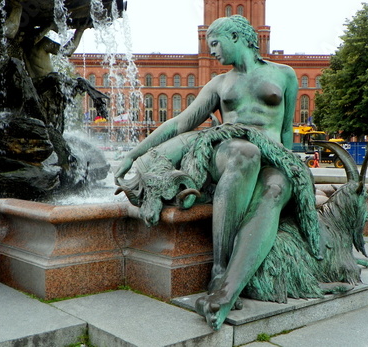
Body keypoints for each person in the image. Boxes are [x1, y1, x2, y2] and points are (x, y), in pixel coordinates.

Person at [115, 15, 310, 331]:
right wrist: (133, 155)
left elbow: (286, 132)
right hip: (231, 151)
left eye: (216, 44)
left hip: (274, 158)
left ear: (235, 36)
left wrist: (294, 172)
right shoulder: (220, 83)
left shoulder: (284, 75)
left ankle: (224, 293)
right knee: (245, 152)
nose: (213, 53)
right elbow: (181, 124)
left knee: (273, 190)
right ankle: (219, 268)